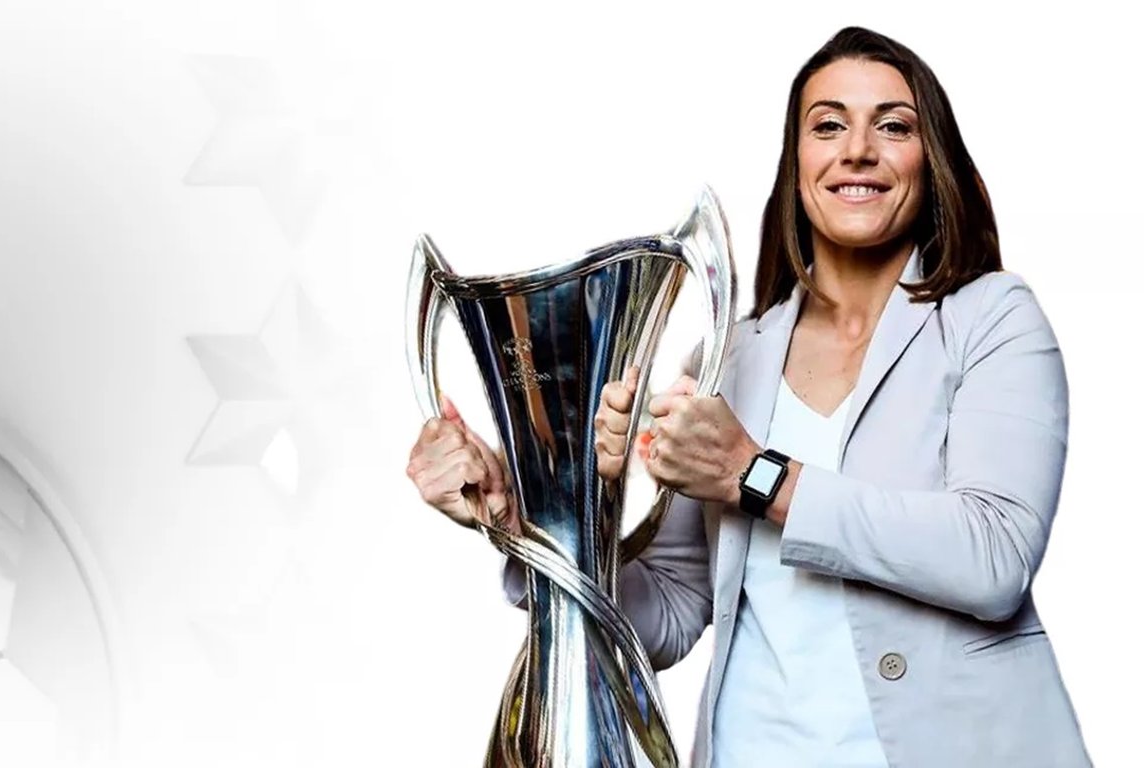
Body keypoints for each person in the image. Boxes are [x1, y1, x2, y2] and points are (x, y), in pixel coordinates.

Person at [404, 25, 1090, 768]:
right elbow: (669, 610)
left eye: (893, 126)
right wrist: (532, 522)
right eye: (828, 125)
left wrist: (753, 475)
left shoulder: (992, 319)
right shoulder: (727, 360)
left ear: (933, 162)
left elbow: (993, 557)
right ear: (797, 162)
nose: (858, 150)